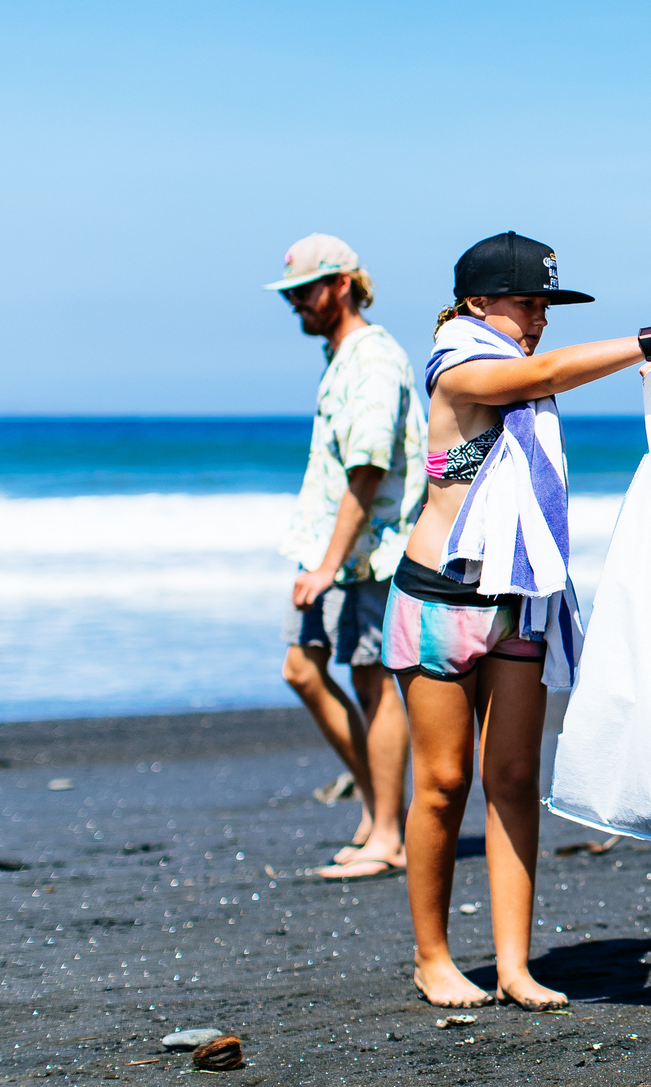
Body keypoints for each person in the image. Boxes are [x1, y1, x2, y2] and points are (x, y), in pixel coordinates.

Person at [386, 231, 651, 1009]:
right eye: (526, 303)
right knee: (441, 784)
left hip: (521, 599)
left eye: (546, 306)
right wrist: (646, 341)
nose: (540, 318)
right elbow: (534, 374)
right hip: (440, 600)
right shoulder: (458, 365)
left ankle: (513, 966)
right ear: (477, 303)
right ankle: (432, 958)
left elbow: (540, 373)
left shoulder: (520, 374)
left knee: (511, 779)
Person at [265, 233, 423, 880]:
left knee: (370, 682)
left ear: (341, 285)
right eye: (291, 295)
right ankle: (379, 810)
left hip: (370, 552)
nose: (296, 304)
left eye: (304, 292)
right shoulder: (342, 357)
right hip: (332, 549)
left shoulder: (372, 359)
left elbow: (368, 467)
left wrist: (331, 563)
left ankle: (388, 833)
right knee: (302, 670)